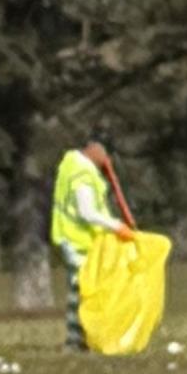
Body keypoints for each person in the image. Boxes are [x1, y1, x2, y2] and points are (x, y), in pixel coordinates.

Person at [48, 134, 129, 356]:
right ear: (95, 150)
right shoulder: (81, 173)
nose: (107, 161)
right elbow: (87, 212)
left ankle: (79, 340)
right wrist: (116, 226)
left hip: (80, 240)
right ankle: (79, 341)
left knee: (82, 290)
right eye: (106, 155)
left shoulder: (72, 165)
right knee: (85, 291)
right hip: (76, 239)